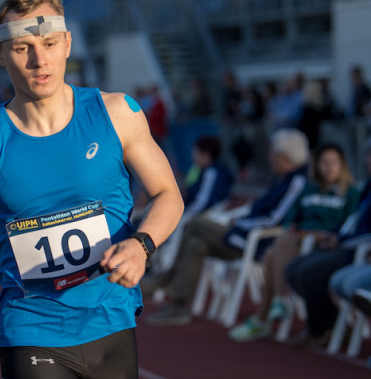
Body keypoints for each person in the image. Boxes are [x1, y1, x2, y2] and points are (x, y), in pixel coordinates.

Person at [0, 0, 183, 379]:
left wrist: (142, 245)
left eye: (48, 45)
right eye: (23, 48)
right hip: (31, 329)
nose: (39, 61)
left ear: (66, 44)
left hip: (111, 322)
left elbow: (168, 194)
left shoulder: (117, 114)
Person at [143, 128, 310, 326]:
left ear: (284, 156)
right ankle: (178, 305)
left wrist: (239, 222)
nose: (268, 156)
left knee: (196, 223)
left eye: (272, 151)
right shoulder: (281, 178)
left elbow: (275, 219)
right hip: (241, 234)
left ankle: (167, 278)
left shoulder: (297, 181)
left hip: (255, 240)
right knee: (196, 243)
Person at [229, 143, 359, 341]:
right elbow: (290, 220)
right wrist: (304, 233)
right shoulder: (308, 190)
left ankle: (263, 317)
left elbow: (350, 225)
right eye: (324, 162)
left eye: (333, 162)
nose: (328, 167)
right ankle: (277, 305)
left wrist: (322, 236)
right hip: (299, 239)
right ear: (316, 165)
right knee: (283, 241)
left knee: (273, 255)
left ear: (342, 165)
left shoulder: (351, 194)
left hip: (324, 245)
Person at [284, 138, 371, 347]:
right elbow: (353, 223)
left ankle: (326, 328)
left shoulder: (352, 191)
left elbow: (363, 232)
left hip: (354, 251)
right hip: (343, 243)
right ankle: (324, 327)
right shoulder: (368, 185)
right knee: (292, 269)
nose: (367, 160)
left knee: (308, 274)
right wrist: (333, 235)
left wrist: (339, 240)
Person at [149, 136, 233, 276]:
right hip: (198, 212)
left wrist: (182, 213)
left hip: (206, 214)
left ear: (205, 154)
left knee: (175, 226)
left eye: (196, 151)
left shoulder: (212, 172)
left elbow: (203, 202)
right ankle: (160, 266)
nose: (193, 155)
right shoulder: (198, 170)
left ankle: (165, 270)